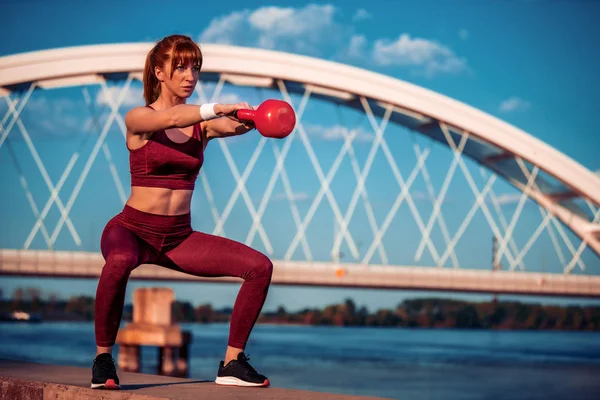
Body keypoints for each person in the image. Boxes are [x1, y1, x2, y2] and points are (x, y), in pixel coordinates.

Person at [90, 34, 273, 390]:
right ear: (159, 72)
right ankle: (103, 359)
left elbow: (231, 125)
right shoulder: (139, 118)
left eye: (195, 67)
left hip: (177, 238)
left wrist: (257, 118)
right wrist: (219, 107)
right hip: (132, 230)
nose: (190, 75)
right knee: (118, 263)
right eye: (180, 67)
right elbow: (173, 117)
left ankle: (233, 363)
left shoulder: (200, 125)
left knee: (259, 267)